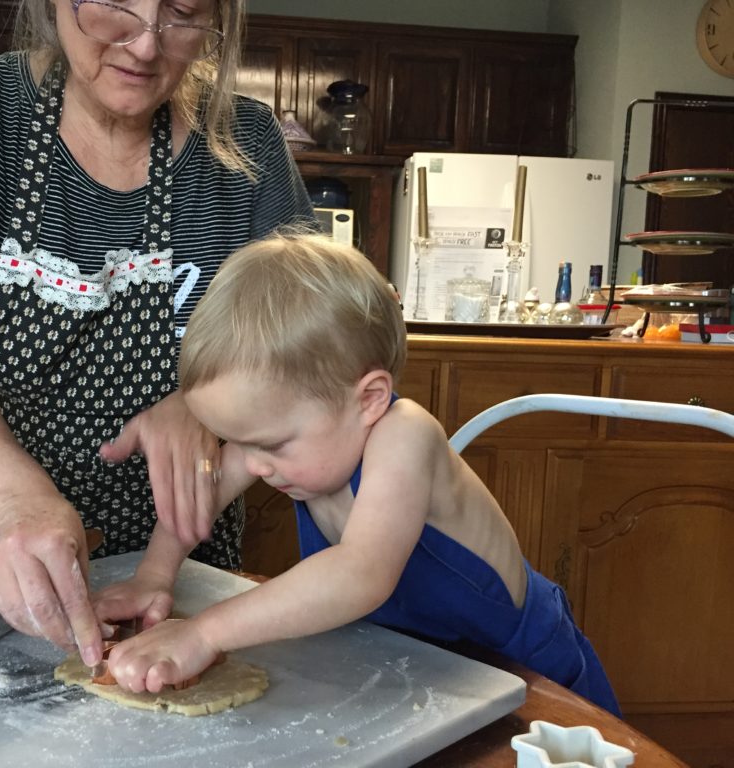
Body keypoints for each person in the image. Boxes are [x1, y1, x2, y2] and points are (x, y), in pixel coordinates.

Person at [0, 0, 314, 669]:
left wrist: (204, 403)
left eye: (182, 13)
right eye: (114, 5)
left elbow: (303, 350)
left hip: (172, 579)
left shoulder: (249, 143)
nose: (144, 45)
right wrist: (18, 501)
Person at [98, 232, 622, 716]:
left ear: (369, 398)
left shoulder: (405, 434)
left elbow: (361, 572)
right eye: (241, 441)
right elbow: (201, 496)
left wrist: (203, 634)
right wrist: (155, 576)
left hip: (523, 670)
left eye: (272, 444)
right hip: (422, 668)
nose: (253, 464)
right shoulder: (283, 437)